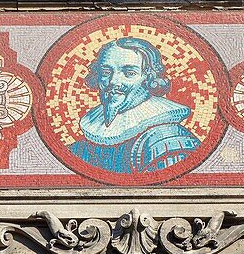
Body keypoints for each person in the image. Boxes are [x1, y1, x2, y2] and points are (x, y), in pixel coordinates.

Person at [69, 37, 200, 175]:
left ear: (150, 79)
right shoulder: (83, 144)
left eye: (129, 73)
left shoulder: (166, 139)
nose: (113, 81)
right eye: (106, 72)